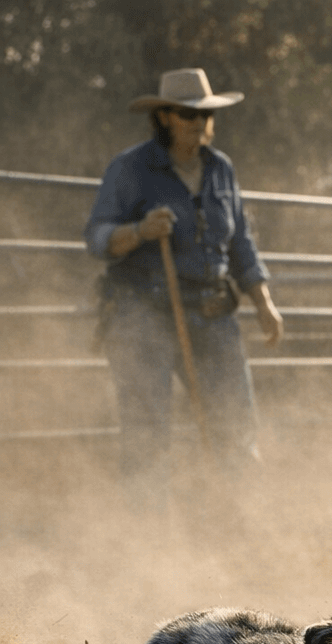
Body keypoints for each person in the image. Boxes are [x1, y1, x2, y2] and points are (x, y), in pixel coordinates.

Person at [84, 67, 283, 514]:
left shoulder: (220, 170)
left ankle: (237, 524)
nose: (199, 122)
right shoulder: (131, 169)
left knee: (235, 425)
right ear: (165, 117)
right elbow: (96, 237)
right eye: (188, 114)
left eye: (205, 114)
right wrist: (139, 230)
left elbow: (240, 244)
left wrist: (262, 301)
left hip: (212, 311)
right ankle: (147, 538)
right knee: (147, 432)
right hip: (142, 315)